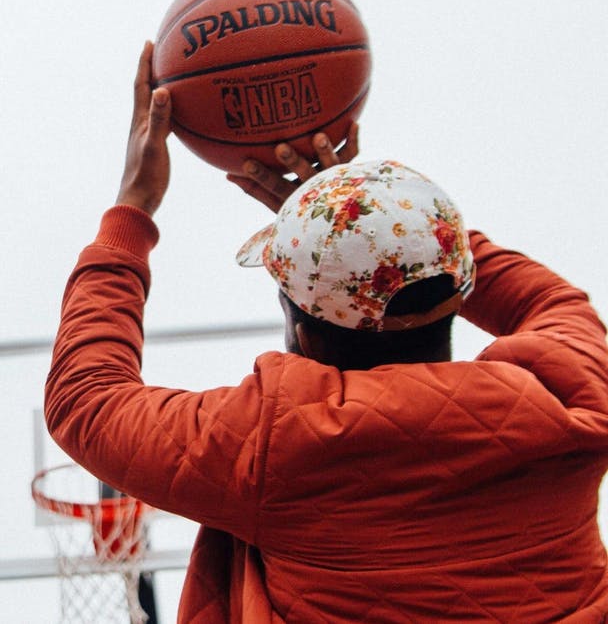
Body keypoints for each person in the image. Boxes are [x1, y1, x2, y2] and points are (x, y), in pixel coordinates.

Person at [45, 41, 608, 622]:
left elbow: (86, 400)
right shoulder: (572, 395)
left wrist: (132, 208)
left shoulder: (277, 445)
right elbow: (549, 299)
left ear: (301, 328)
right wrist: (369, 215)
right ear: (459, 285)